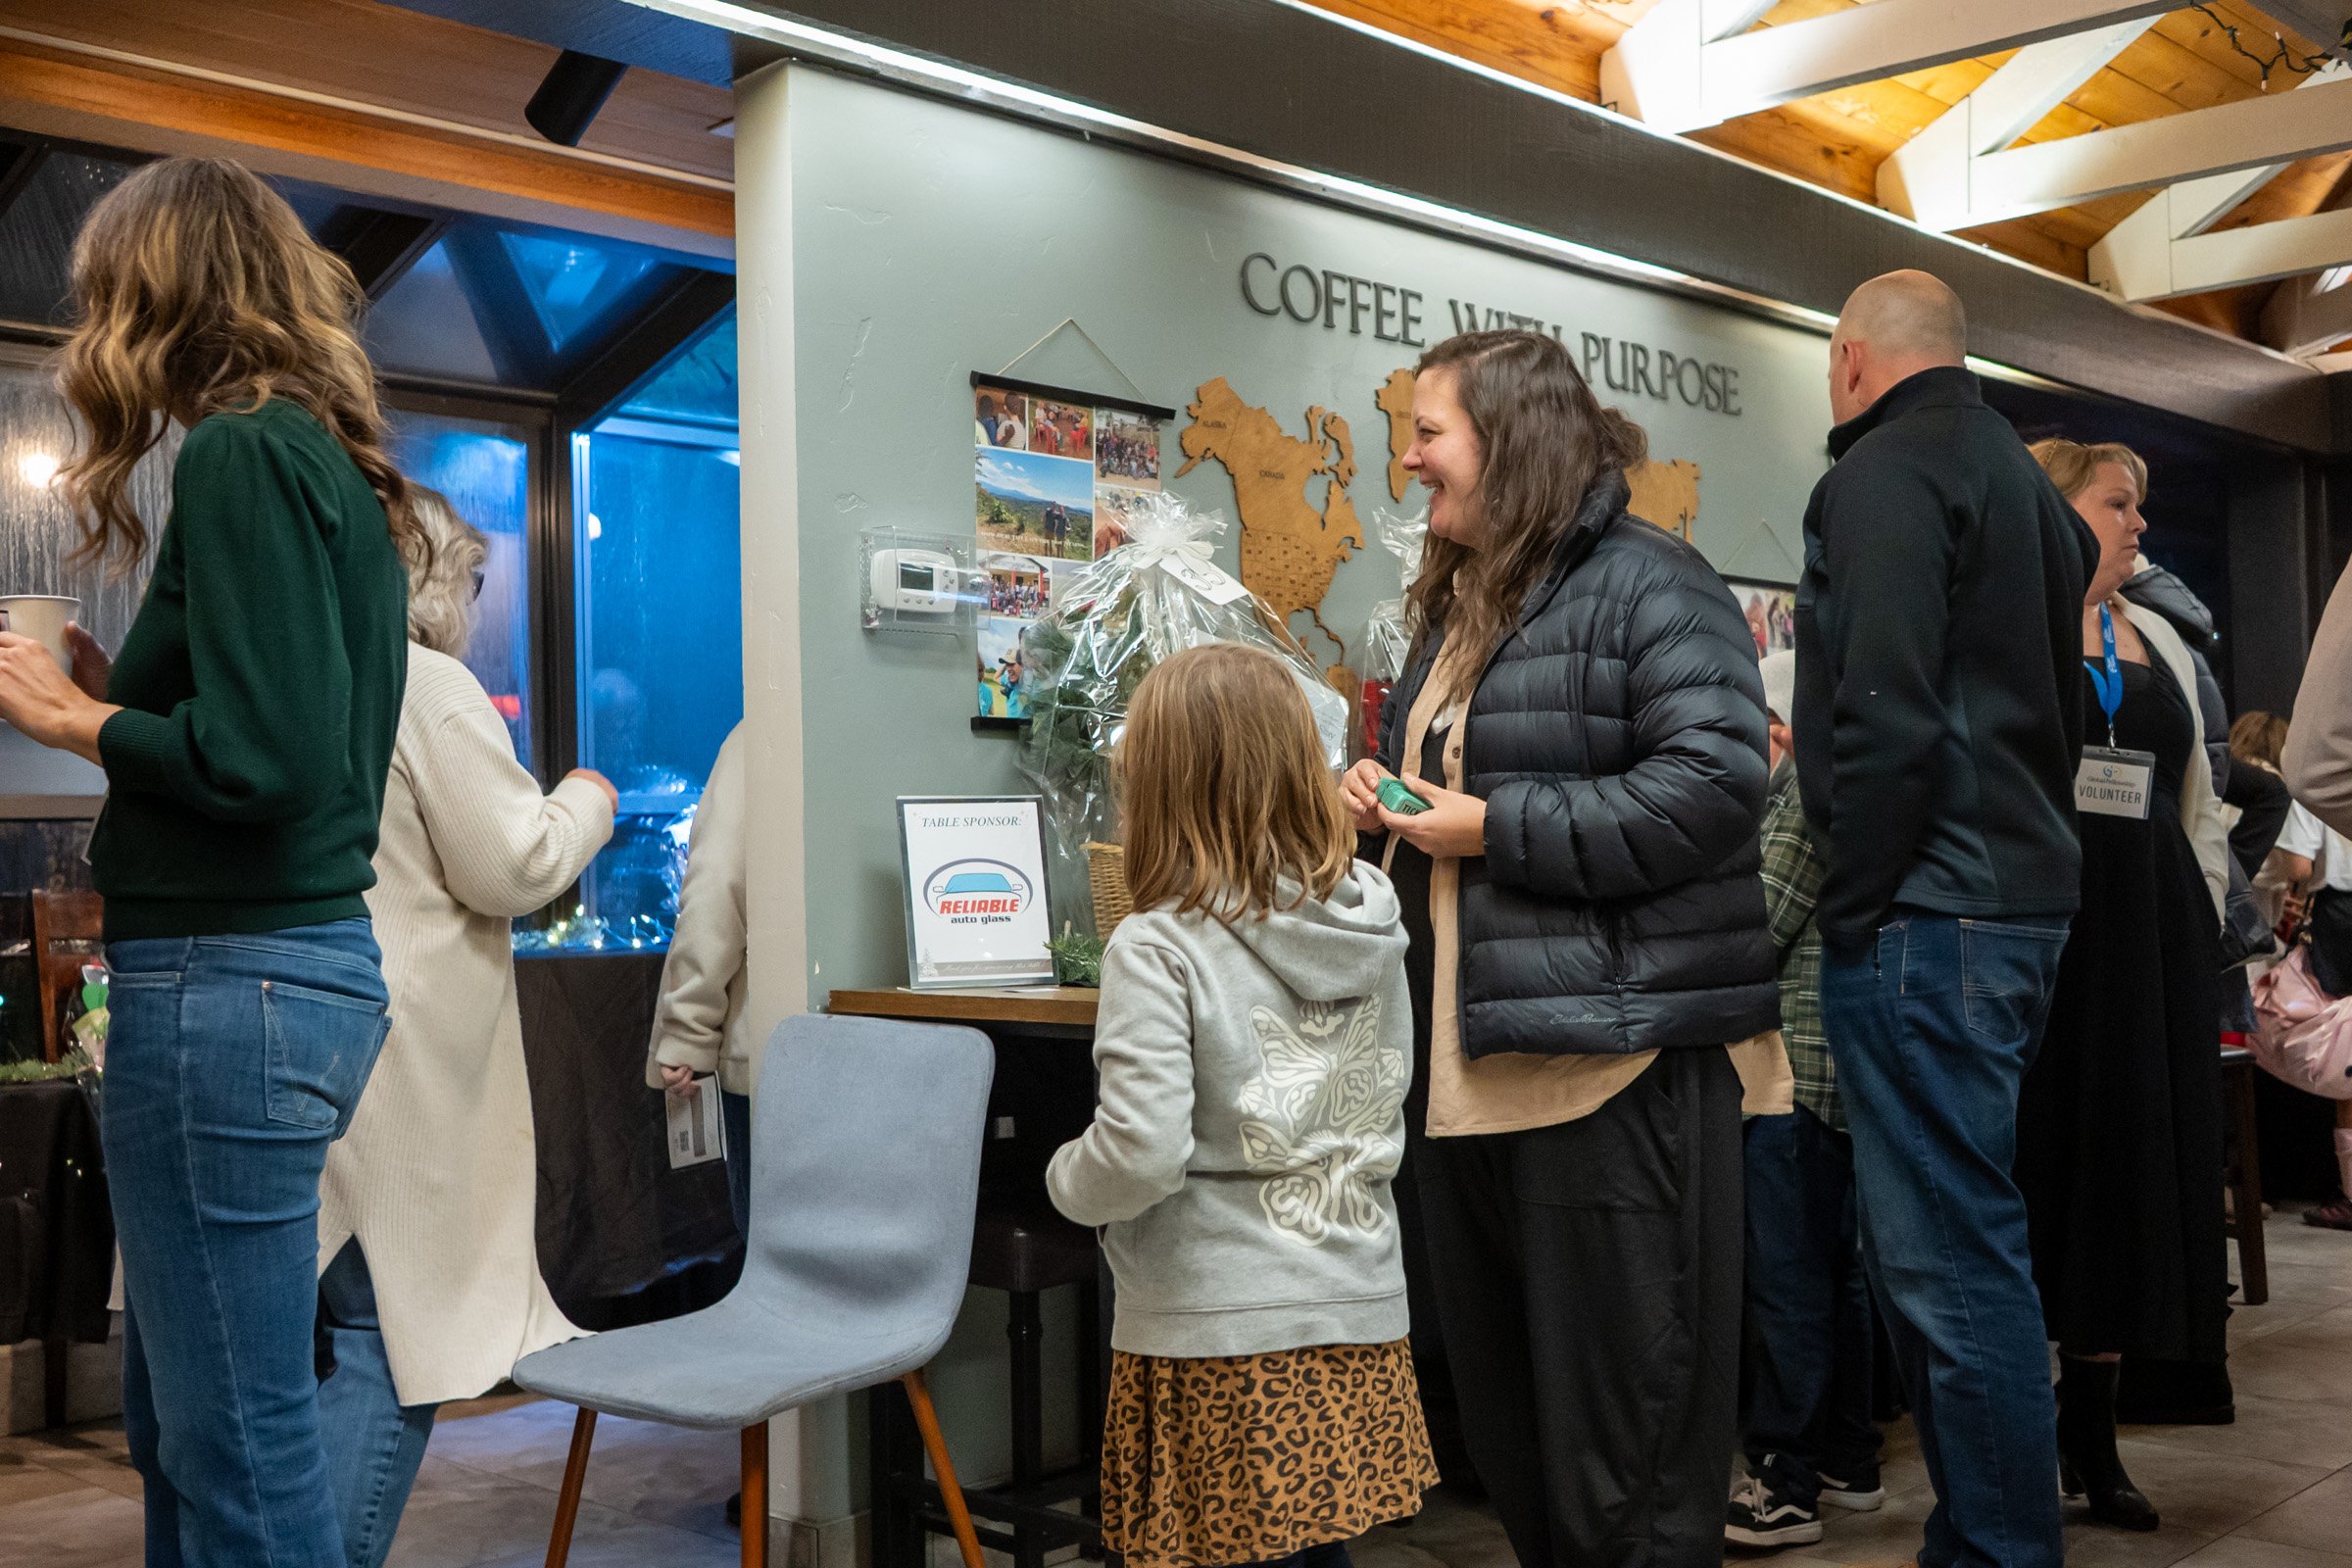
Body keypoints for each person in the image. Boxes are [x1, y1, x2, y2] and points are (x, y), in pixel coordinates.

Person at [0, 157, 417, 1566]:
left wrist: (74, 720)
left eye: (103, 293)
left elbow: (270, 761)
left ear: (156, 291)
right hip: (286, 975)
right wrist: (122, 694)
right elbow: (287, 731)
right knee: (193, 1429)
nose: (91, 326)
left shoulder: (243, 449)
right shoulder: (322, 457)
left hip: (229, 980)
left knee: (233, 1440)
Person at [1342, 328, 1784, 1568]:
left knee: (1624, 1460)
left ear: (1512, 439)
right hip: (1474, 1073)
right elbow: (1473, 778)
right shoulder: (1464, 600)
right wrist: (1384, 788)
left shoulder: (1657, 582)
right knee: (1518, 1442)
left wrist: (1494, 827)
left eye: (1429, 431)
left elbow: (1714, 787)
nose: (1407, 457)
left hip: (1614, 1074)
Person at [1791, 270, 2097, 1568]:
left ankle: (1998, 1552)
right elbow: (2060, 712)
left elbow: (1887, 708)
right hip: (2016, 901)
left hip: (1928, 912)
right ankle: (1980, 1538)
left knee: (1950, 1266)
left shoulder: (1882, 473)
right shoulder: (2030, 485)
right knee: (1957, 1249)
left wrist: (1852, 905)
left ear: (1855, 360)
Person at [1046, 642, 1438, 1568]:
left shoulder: (1158, 945)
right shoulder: (1372, 919)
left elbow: (1139, 1152)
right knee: (1314, 1553)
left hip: (1218, 1331)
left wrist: (1065, 1181)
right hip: (1358, 1311)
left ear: (1166, 792)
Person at [316, 490, 617, 1567]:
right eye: (474, 580)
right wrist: (586, 798)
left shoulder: (312, 676)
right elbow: (513, 865)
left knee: (315, 1335)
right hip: (403, 1067)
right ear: (434, 576)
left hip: (309, 1035)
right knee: (389, 1337)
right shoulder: (429, 684)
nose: (478, 606)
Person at [2014, 438, 2231, 1531]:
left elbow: (2203, 795)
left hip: (2153, 940)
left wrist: (2203, 916)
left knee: (2129, 1178)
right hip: (2046, 939)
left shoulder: (2161, 637)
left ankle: (2094, 1438)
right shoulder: (2013, 628)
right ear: (2057, 515)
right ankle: (2024, 1431)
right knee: (2046, 1171)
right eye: (2117, 504)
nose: (2139, 524)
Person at [1727, 651, 1882, 1552]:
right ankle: (1848, 1459)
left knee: (1786, 1281)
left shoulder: (1797, 801)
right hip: (1843, 1072)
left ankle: (1783, 1481)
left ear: (1781, 730)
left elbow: (1758, 927)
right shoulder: (1856, 787)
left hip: (1789, 1075)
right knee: (1838, 1274)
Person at [647, 721, 754, 1230]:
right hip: (912, 1051)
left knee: (774, 1260)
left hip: (775, 1054)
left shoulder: (763, 734)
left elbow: (718, 889)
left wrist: (686, 1031)